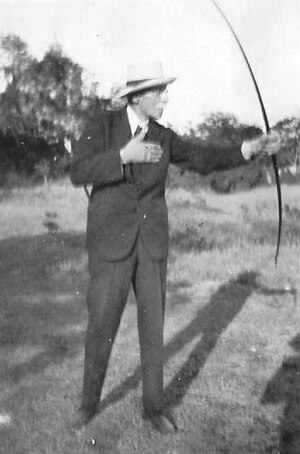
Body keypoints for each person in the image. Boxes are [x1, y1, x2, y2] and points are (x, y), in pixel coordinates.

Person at [70, 61, 280, 433]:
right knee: (101, 326)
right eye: (158, 93)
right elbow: (77, 172)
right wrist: (123, 157)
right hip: (110, 244)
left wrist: (251, 148)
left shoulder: (164, 137)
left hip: (152, 246)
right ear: (136, 97)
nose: (166, 99)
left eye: (165, 92)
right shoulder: (102, 128)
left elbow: (205, 158)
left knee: (153, 330)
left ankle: (154, 408)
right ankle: (88, 404)